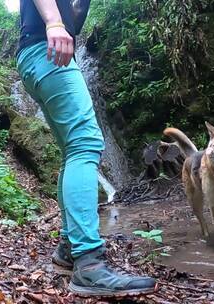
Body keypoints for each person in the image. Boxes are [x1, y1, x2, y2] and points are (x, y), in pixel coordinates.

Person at [16, 0, 156, 297]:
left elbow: (74, 23)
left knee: (72, 150)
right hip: (45, 49)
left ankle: (69, 249)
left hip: (36, 54)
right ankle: (89, 264)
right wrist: (53, 23)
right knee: (86, 143)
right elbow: (61, 23)